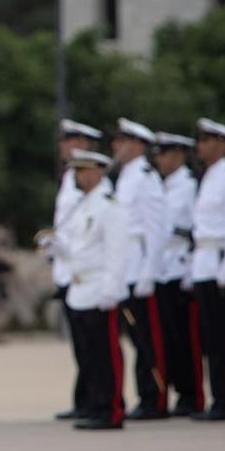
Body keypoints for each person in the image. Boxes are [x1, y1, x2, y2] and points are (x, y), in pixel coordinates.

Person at [51, 152, 131, 430]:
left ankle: (112, 409)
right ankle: (96, 405)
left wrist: (112, 290)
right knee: (90, 354)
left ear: (98, 173)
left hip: (100, 290)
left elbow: (116, 253)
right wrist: (57, 248)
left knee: (107, 354)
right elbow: (79, 250)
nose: (78, 176)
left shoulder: (109, 207)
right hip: (80, 288)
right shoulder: (83, 206)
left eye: (83, 171)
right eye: (76, 171)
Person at [109, 120, 169, 418]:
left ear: (138, 146)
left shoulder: (146, 178)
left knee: (147, 340)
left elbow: (157, 231)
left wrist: (149, 271)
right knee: (135, 339)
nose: (115, 147)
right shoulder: (126, 178)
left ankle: (155, 399)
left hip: (140, 269)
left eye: (122, 141)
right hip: (126, 268)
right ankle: (146, 396)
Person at [188, 121, 225, 420]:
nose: (201, 146)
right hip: (204, 263)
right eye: (200, 140)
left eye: (208, 140)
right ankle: (220, 397)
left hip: (220, 264)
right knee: (212, 340)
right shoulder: (211, 175)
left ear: (223, 143)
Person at [153, 133, 203, 415]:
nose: (159, 160)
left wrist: (191, 268)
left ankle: (192, 393)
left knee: (187, 339)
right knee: (170, 337)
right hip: (163, 267)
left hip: (181, 266)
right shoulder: (164, 186)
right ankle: (180, 391)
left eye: (164, 154)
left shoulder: (189, 185)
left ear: (178, 155)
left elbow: (197, 231)